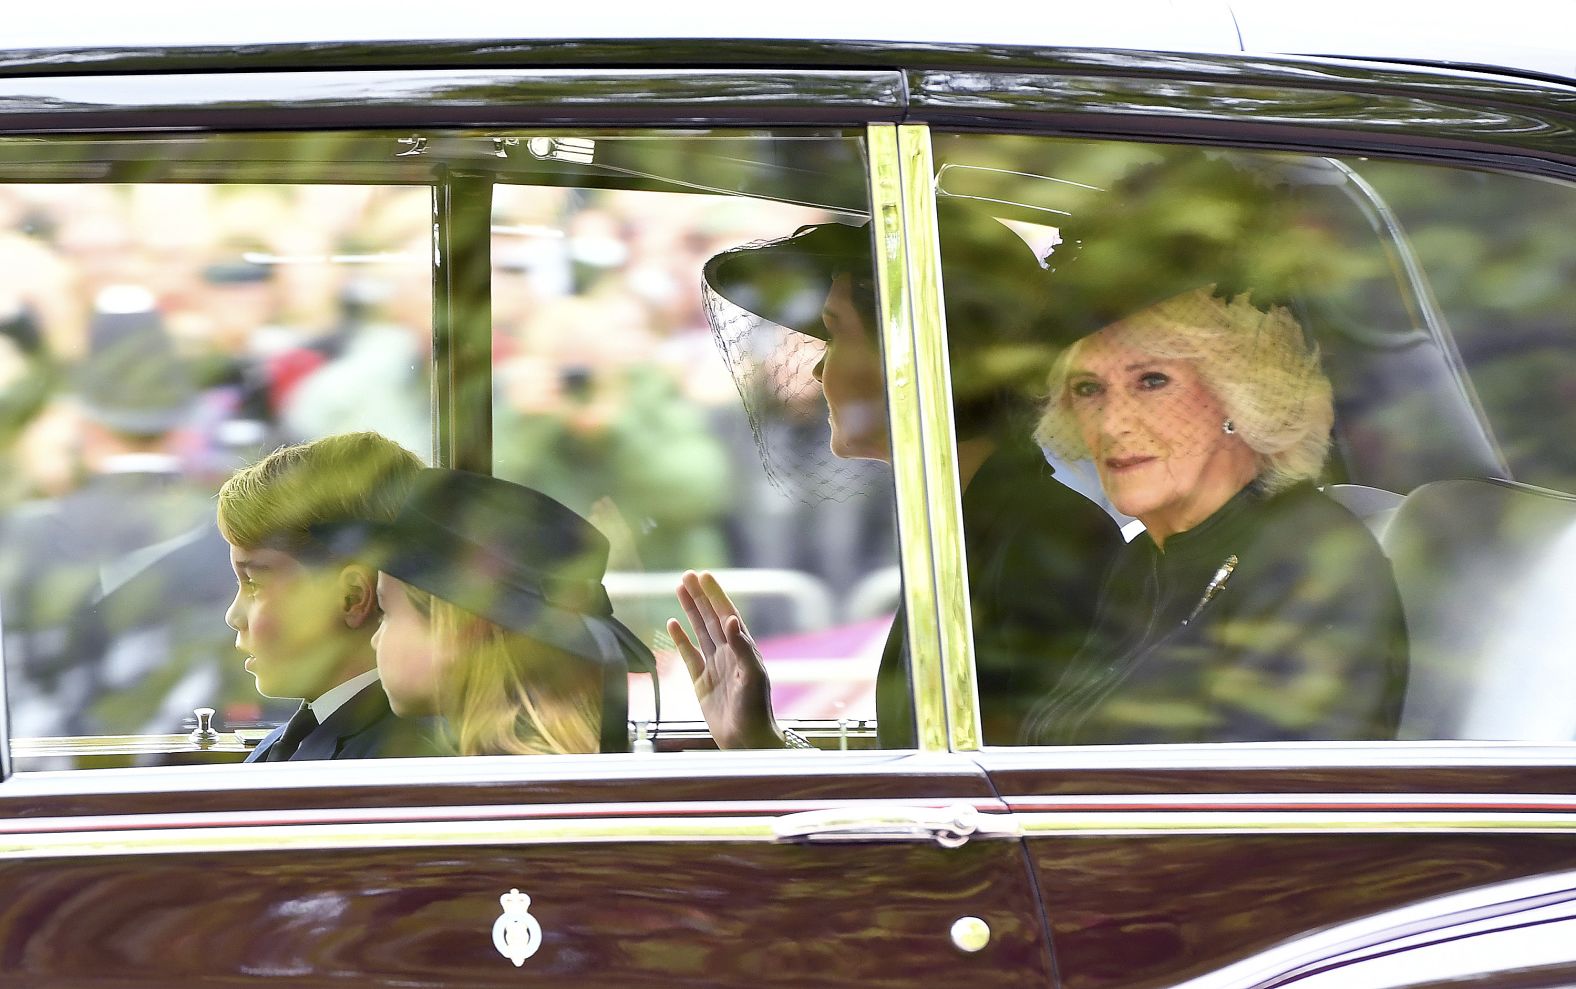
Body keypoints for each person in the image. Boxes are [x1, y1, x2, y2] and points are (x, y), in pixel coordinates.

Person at [672, 203, 1125, 748]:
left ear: (914, 357)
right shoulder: (975, 524)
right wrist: (761, 740)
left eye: (837, 333)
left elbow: (981, 801)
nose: (817, 367)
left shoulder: (1039, 544)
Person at [1017, 155, 1409, 745]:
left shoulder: (1311, 563)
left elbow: (1275, 811)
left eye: (1152, 381)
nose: (1112, 423)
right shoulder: (1144, 562)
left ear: (1238, 393)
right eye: (1088, 389)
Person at [349, 468, 658, 755]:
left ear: (460, 632)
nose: (376, 640)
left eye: (386, 611)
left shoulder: (491, 787)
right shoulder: (531, 761)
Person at [217, 431, 440, 762]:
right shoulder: (293, 738)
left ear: (351, 597)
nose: (233, 616)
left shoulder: (393, 760)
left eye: (255, 584)